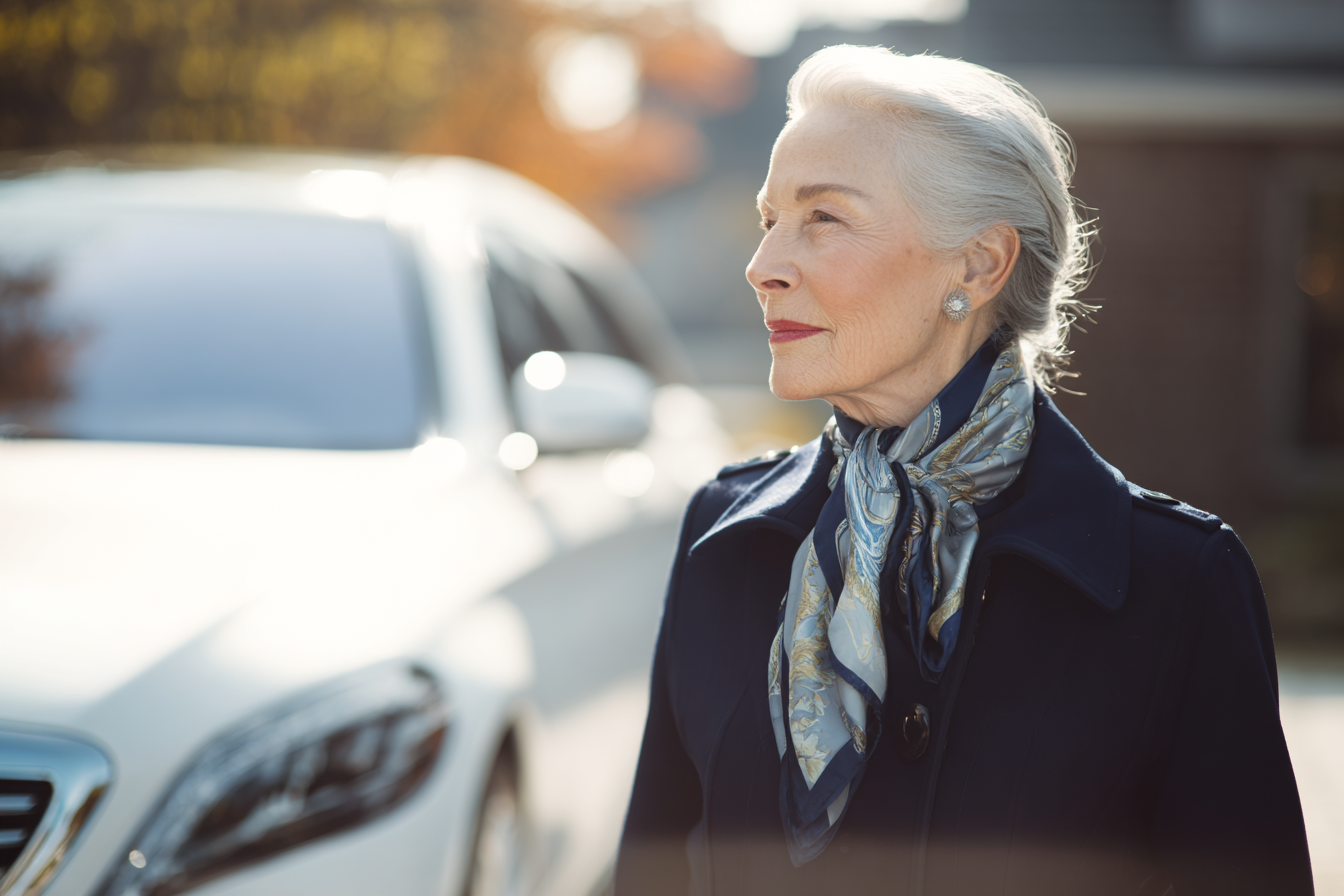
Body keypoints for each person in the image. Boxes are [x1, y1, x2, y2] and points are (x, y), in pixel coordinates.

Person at [614, 45, 1313, 896]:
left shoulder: (1178, 584)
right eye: (769, 221)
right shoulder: (726, 538)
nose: (764, 266)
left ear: (980, 265)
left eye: (823, 218)